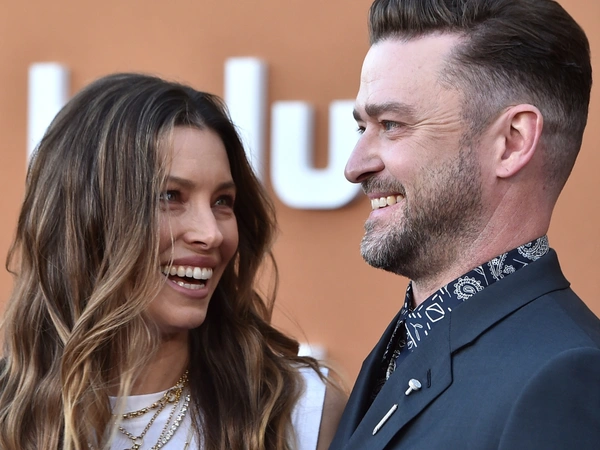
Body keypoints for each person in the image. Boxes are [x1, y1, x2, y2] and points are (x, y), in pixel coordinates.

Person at [0, 73, 346, 450]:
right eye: (170, 196)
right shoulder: (11, 418)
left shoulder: (300, 411)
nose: (211, 233)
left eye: (222, 201)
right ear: (87, 216)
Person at [330, 0, 600, 449]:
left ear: (512, 142)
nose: (354, 167)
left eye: (392, 124)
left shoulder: (565, 380)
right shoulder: (408, 345)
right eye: (363, 128)